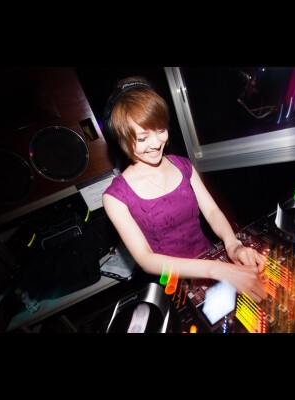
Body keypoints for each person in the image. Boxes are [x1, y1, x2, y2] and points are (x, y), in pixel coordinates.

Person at [102, 76, 267, 303]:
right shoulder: (115, 197)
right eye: (142, 137)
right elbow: (146, 259)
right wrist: (217, 270)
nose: (156, 143)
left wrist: (233, 246)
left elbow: (212, 212)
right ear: (121, 138)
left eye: (160, 130)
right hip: (175, 284)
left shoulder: (183, 165)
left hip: (212, 260)